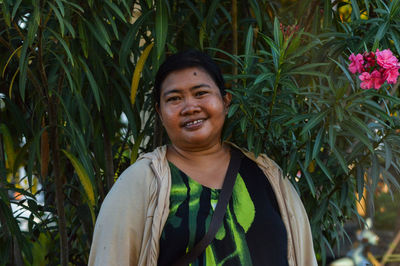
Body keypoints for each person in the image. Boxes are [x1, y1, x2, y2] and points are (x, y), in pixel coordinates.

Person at [88, 50, 317, 266]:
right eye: (175, 99)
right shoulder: (139, 183)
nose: (190, 107)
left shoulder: (268, 175)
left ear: (225, 101)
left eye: (200, 93)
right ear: (159, 112)